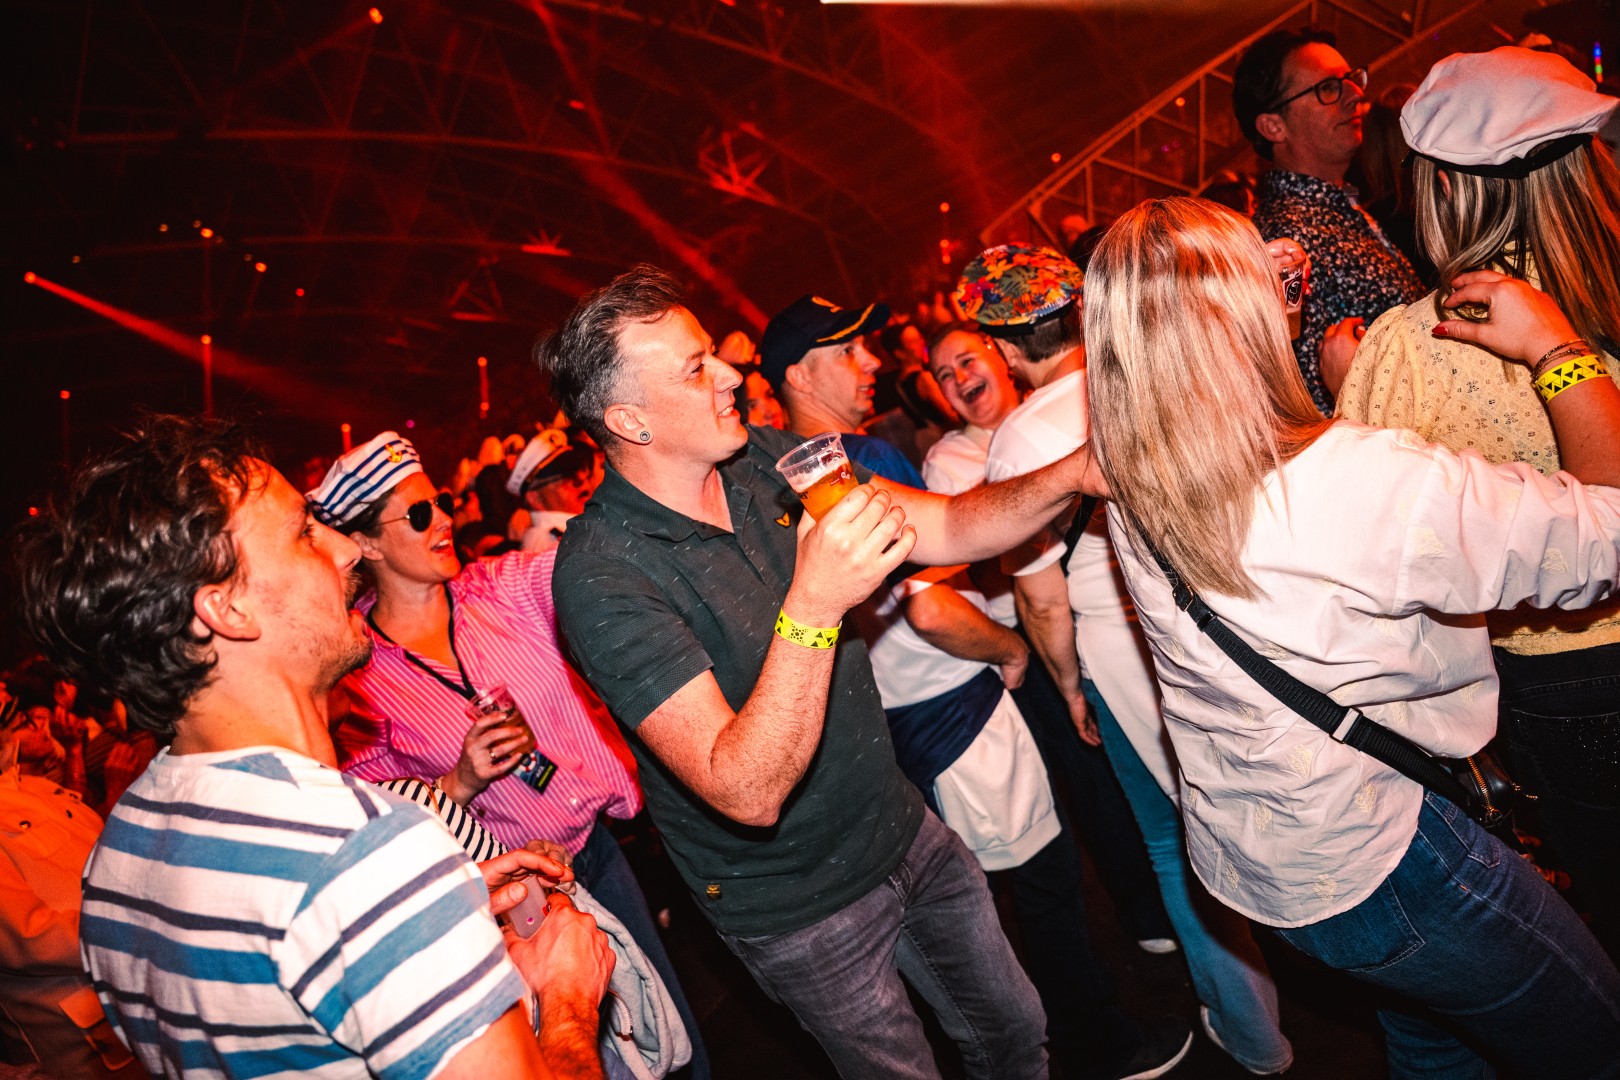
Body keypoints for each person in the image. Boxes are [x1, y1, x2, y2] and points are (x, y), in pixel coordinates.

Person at [536, 264, 1145, 1080]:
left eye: (716, 354)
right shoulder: (600, 573)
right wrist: (815, 602)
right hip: (799, 906)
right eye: (696, 367)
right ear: (629, 420)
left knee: (1014, 1033)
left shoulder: (763, 460)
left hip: (902, 826)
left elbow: (950, 525)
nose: (730, 376)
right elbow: (746, 787)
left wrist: (1073, 472)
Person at [1086, 194, 1620, 1077]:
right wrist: (1556, 350)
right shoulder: (1365, 480)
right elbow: (1606, 531)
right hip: (1398, 860)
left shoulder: (1129, 471)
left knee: (1433, 1042)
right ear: (1244, 312)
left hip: (1274, 866)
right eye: (1265, 269)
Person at [16, 414, 615, 1080]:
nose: (348, 550)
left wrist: (439, 909)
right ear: (227, 610)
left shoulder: (116, 863)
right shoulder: (363, 858)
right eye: (303, 533)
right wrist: (566, 997)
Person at [761, 297, 1189, 1079]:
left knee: (979, 903)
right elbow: (929, 606)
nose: (871, 363)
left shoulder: (763, 483)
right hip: (957, 711)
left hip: (894, 725)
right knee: (1042, 888)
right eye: (846, 352)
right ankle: (1100, 1044)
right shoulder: (857, 460)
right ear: (799, 376)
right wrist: (1010, 647)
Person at [959, 244, 1294, 1077]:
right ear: (1076, 312)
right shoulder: (1143, 370)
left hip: (1116, 647)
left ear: (1003, 347)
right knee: (1262, 795)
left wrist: (1070, 688)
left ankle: (1254, 1033)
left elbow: (1043, 598)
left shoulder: (1018, 441)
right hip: (1216, 614)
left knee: (1173, 840)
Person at [308, 430, 710, 1079]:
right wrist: (459, 781)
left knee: (669, 1032)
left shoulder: (501, 588)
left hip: (602, 850)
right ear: (368, 544)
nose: (444, 520)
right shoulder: (358, 677)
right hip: (517, 896)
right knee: (592, 1056)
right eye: (419, 514)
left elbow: (594, 561)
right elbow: (375, 817)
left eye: (441, 502)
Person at [1334, 46, 1620, 955]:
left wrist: (1349, 395)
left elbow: (1366, 543)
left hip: (1561, 680)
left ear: (1446, 189)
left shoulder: (1412, 344)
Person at [922, 323, 1181, 961]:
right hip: (1025, 640)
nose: (959, 380)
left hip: (1098, 620)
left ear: (1003, 357)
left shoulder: (1060, 412)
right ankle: (1146, 910)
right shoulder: (946, 461)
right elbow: (968, 570)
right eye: (944, 375)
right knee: (1093, 783)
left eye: (967, 361)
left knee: (1154, 770)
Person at [1233, 26, 1425, 413]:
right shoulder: (1287, 241)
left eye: (1351, 79)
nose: (1355, 94)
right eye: (1328, 88)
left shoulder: (1335, 207)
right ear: (1273, 126)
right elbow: (1305, 405)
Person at [504, 427, 601, 553]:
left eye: (577, 471)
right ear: (534, 498)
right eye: (566, 476)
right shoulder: (549, 544)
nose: (582, 480)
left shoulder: (573, 531)